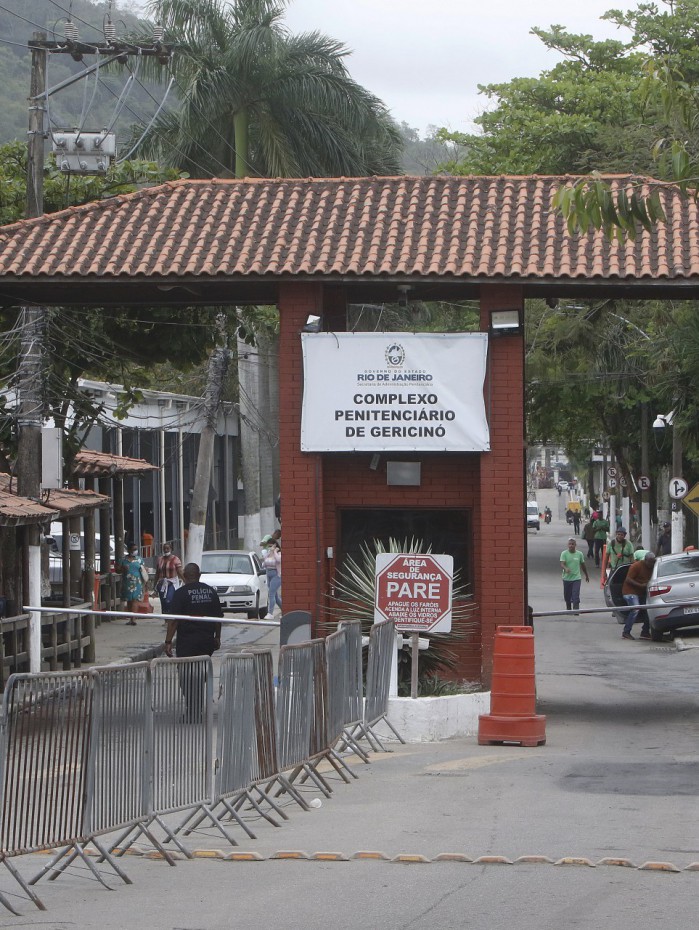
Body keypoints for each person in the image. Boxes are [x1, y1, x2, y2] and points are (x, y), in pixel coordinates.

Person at [164, 563, 223, 721]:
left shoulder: (181, 593)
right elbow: (218, 618)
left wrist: (168, 641)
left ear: (184, 575)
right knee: (201, 673)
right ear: (199, 574)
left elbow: (175, 620)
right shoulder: (211, 592)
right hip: (206, 642)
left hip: (187, 642)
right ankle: (196, 706)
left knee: (185, 675)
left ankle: (192, 707)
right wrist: (217, 637)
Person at [621, 552, 656, 640]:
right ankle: (626, 632)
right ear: (645, 560)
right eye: (650, 562)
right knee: (635, 609)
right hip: (630, 592)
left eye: (653, 562)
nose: (651, 564)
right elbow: (628, 579)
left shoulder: (654, 567)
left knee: (649, 610)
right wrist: (641, 585)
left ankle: (645, 632)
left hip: (642, 593)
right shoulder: (636, 566)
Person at [119, 543, 146, 625]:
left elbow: (143, 570)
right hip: (127, 583)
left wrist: (145, 582)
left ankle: (133, 619)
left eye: (136, 549)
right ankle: (131, 618)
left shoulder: (139, 559)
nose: (135, 551)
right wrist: (122, 568)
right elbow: (117, 570)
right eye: (134, 549)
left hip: (137, 582)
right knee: (129, 600)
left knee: (135, 600)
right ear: (129, 550)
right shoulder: (123, 560)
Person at [560, 537, 589, 612]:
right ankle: (568, 608)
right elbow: (562, 564)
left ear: (575, 545)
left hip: (576, 578)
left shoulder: (579, 554)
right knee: (567, 596)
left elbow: (583, 565)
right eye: (570, 544)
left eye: (573, 544)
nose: (571, 546)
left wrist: (586, 575)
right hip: (566, 578)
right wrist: (566, 568)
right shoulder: (564, 553)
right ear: (567, 545)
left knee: (575, 595)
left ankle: (576, 610)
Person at [154, 542, 184, 612]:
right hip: (161, 584)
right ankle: (166, 620)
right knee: (163, 602)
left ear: (171, 549)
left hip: (172, 583)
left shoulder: (175, 559)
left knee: (169, 600)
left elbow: (180, 571)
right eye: (164, 549)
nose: (166, 550)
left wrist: (186, 581)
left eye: (168, 548)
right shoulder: (160, 559)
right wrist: (154, 586)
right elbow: (157, 573)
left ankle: (171, 617)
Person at [263, 539, 282, 619]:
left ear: (275, 545)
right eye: (268, 546)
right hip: (269, 574)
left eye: (271, 546)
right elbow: (264, 563)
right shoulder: (268, 554)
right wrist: (269, 552)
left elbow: (278, 560)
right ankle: (285, 611)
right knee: (275, 596)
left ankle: (270, 613)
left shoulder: (278, 553)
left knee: (271, 593)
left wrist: (274, 551)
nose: (269, 547)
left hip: (276, 575)